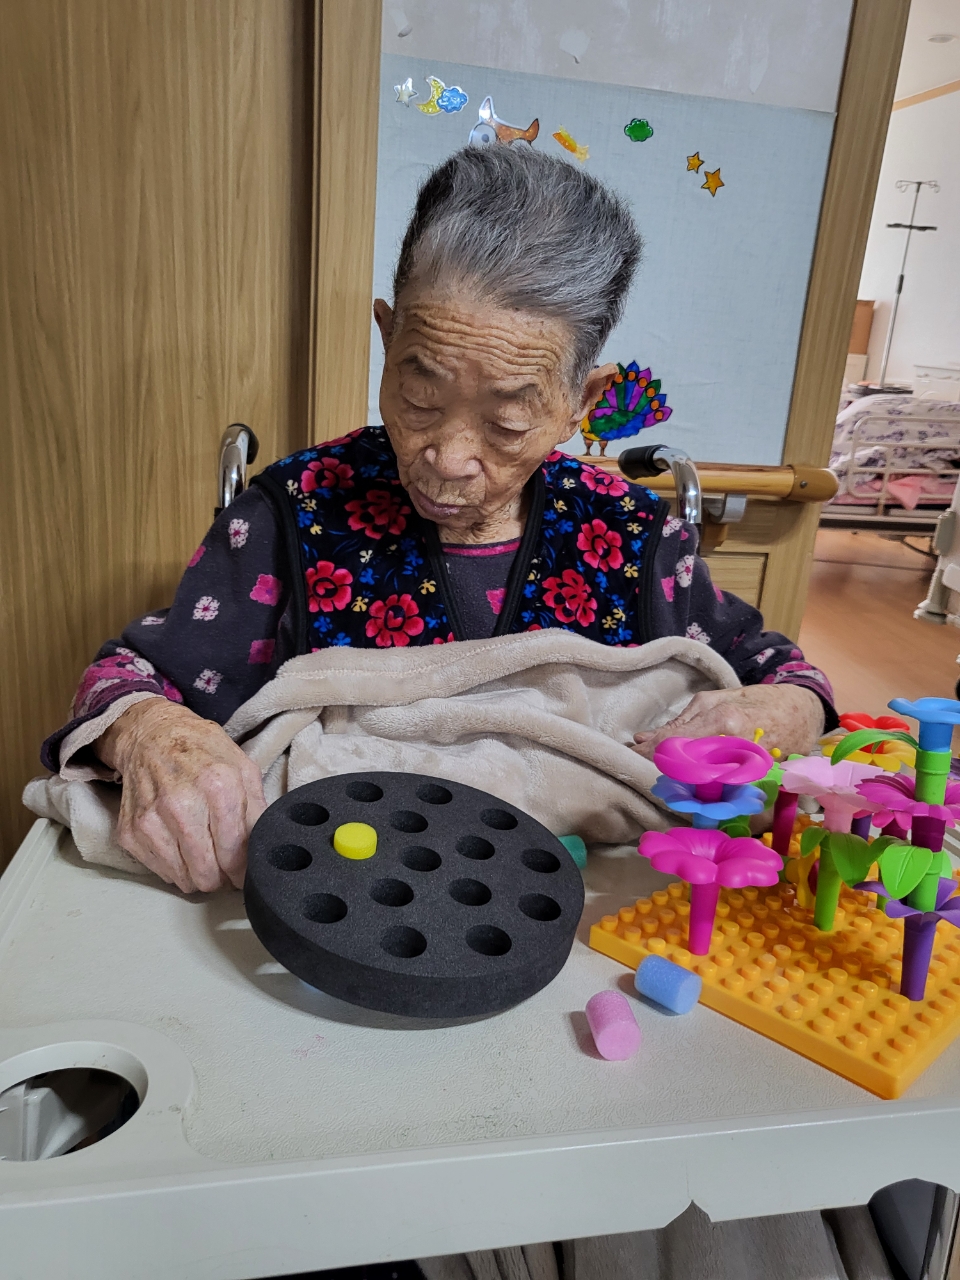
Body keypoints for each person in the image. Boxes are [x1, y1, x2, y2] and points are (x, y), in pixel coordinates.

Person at [41, 144, 835, 895]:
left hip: (579, 914)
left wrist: (783, 709)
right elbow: (132, 677)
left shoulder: (633, 534)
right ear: (388, 337)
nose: (449, 457)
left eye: (507, 422)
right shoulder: (293, 512)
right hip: (340, 893)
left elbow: (778, 670)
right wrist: (151, 732)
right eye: (420, 397)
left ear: (580, 403)